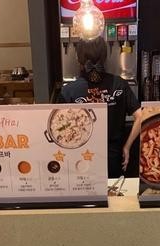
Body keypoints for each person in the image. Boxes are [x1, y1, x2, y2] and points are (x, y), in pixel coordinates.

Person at [57, 40, 138, 178]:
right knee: (113, 190)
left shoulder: (69, 91)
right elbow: (141, 116)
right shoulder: (120, 84)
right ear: (105, 57)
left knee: (83, 189)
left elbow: (61, 129)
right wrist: (127, 146)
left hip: (80, 159)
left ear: (77, 58)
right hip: (113, 157)